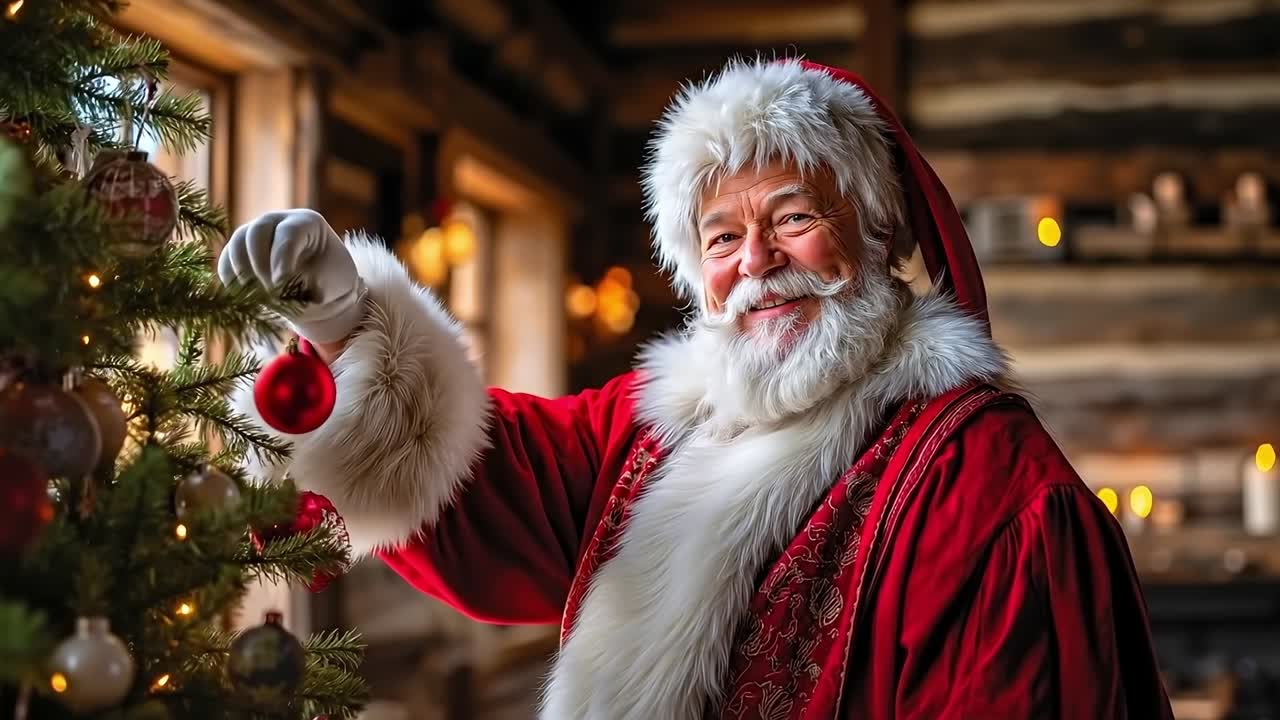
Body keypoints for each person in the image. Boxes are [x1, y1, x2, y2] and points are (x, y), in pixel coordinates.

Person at [219, 59, 1174, 719]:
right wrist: (348, 323)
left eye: (794, 218)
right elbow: (474, 477)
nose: (755, 262)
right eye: (720, 237)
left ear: (878, 238)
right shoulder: (651, 433)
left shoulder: (986, 484)